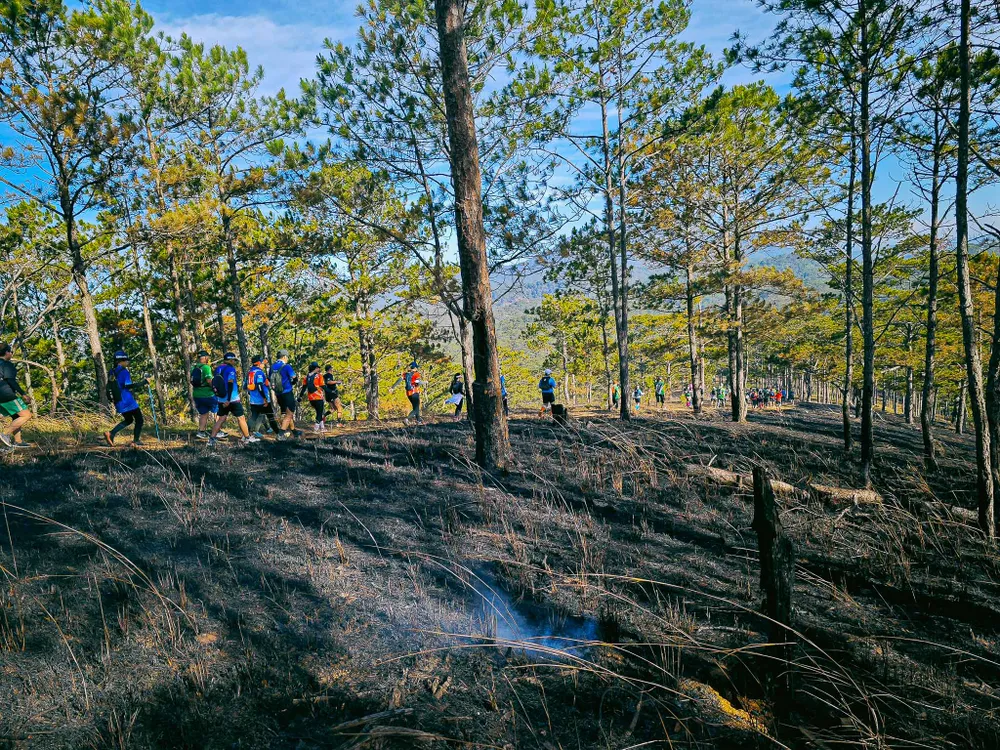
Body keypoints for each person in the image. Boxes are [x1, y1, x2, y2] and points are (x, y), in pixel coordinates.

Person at [209, 352, 258, 447]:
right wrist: (228, 399)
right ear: (230, 360)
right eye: (233, 360)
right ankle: (247, 438)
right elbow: (230, 383)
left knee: (221, 419)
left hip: (220, 399)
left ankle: (212, 439)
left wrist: (219, 397)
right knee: (241, 418)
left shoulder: (218, 368)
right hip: (232, 399)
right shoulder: (231, 369)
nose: (234, 362)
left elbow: (215, 383)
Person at [103, 350, 145, 447]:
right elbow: (128, 386)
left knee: (129, 419)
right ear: (120, 361)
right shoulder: (124, 371)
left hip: (118, 401)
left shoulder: (111, 371)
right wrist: (144, 382)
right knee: (139, 419)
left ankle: (111, 433)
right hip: (128, 400)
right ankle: (135, 441)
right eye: (126, 360)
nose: (127, 362)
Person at [0, 342, 32, 450]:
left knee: (16, 416)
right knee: (26, 415)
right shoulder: (7, 365)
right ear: (7, 353)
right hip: (6, 394)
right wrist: (23, 394)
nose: (12, 354)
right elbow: (11, 381)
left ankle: (18, 441)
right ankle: (5, 434)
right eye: (11, 352)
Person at [246, 355, 281, 437]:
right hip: (262, 400)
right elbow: (259, 386)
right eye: (262, 362)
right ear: (258, 363)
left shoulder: (250, 373)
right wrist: (264, 398)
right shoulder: (259, 373)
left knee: (254, 417)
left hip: (253, 400)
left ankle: (247, 434)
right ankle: (279, 434)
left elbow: (246, 386)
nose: (263, 364)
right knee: (270, 416)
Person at [270, 350, 299, 437]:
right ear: (284, 357)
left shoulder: (272, 367)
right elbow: (294, 378)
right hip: (287, 392)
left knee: (285, 413)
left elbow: (269, 379)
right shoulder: (286, 366)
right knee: (289, 414)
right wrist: (293, 382)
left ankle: (294, 432)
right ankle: (281, 434)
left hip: (278, 394)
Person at [191, 350, 218, 439]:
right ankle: (218, 430)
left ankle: (201, 432)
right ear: (205, 357)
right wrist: (214, 389)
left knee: (203, 413)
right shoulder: (206, 367)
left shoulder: (193, 367)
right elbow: (209, 380)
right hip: (208, 394)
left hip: (197, 394)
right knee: (217, 411)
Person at [299, 362, 327, 432]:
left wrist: (300, 396)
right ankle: (316, 429)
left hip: (311, 398)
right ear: (315, 368)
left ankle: (322, 427)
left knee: (319, 412)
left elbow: (304, 388)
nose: (318, 369)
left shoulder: (306, 377)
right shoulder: (319, 376)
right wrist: (330, 391)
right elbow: (323, 386)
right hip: (318, 397)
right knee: (319, 413)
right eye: (318, 368)